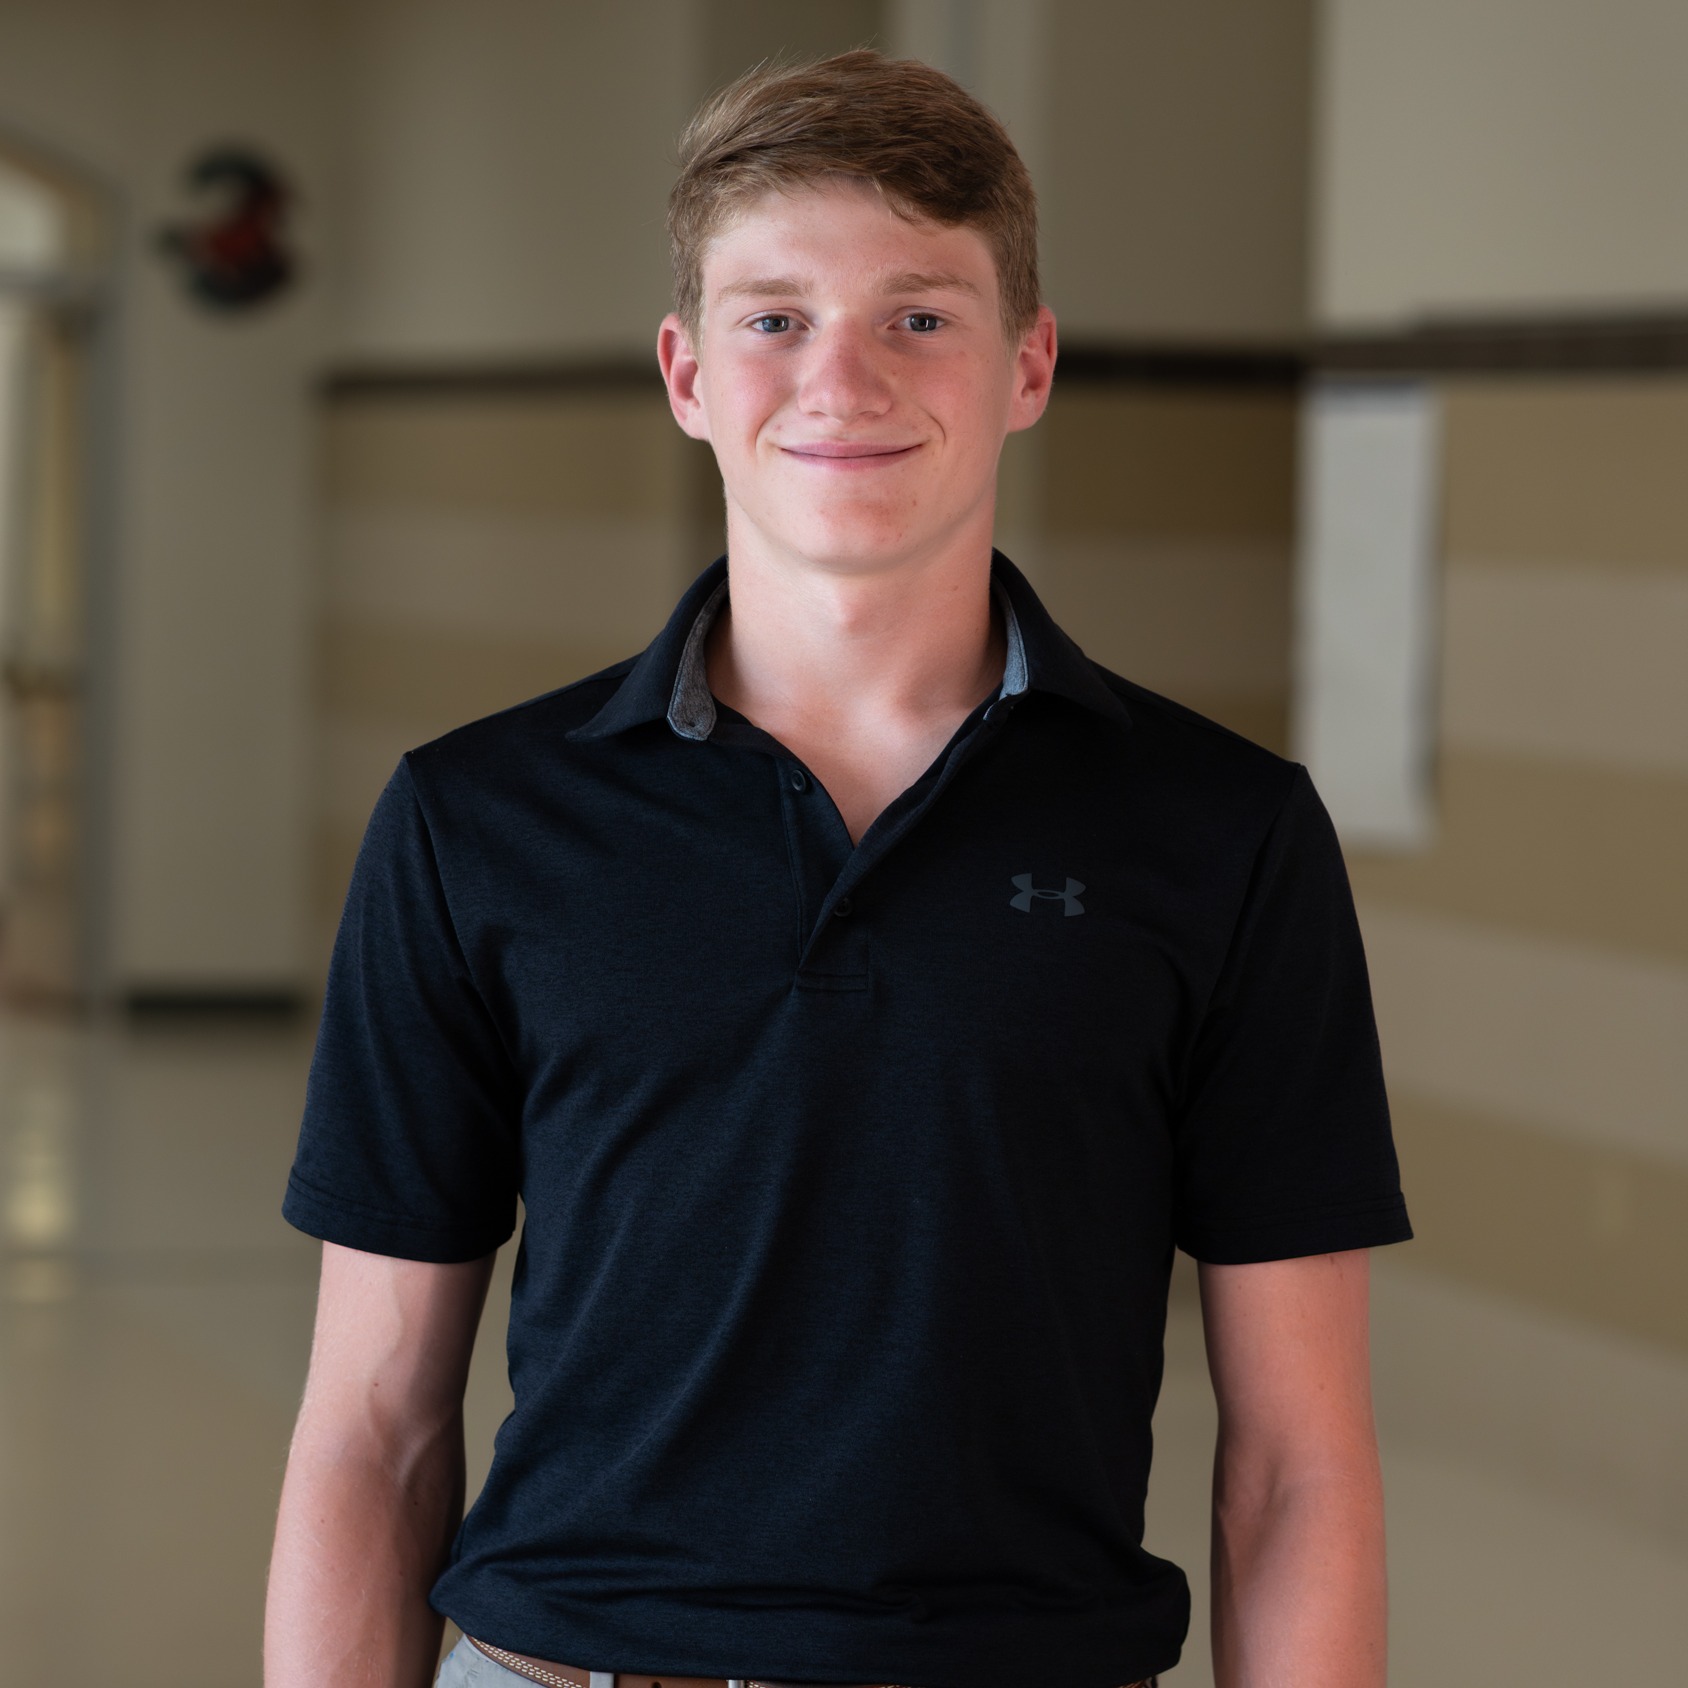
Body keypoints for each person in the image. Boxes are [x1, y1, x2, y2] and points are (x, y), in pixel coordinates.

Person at [265, 49, 1412, 1688]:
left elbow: (1297, 1464)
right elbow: (372, 1425)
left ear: (1029, 365)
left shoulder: (1222, 833)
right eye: (775, 317)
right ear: (686, 373)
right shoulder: (479, 821)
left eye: (919, 316)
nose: (842, 380)